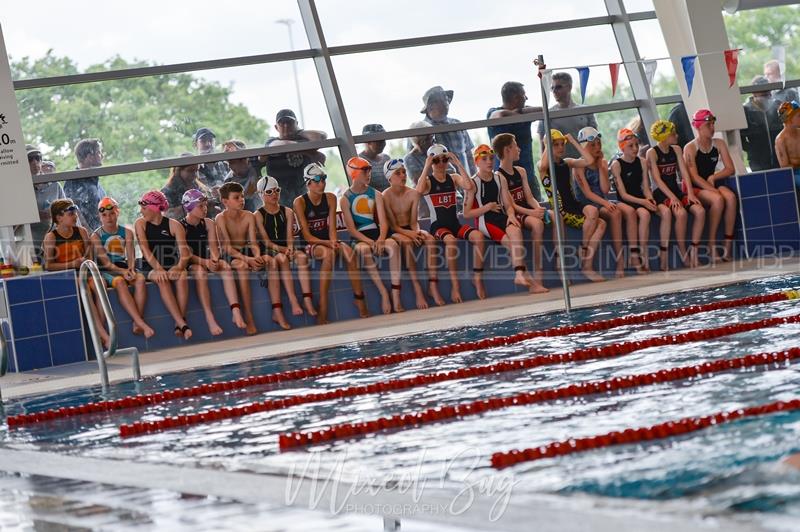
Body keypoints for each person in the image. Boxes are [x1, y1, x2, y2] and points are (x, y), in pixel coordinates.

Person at [294, 163, 369, 325]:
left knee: (349, 253)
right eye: (317, 180)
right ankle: (323, 305)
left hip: (327, 240)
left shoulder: (330, 198)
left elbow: (332, 228)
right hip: (310, 243)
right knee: (329, 255)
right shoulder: (300, 202)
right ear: (308, 183)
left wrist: (334, 241)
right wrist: (329, 243)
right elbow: (306, 236)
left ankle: (359, 298)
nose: (322, 183)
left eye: (323, 179)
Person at [463, 144, 545, 293]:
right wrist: (487, 207)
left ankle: (519, 274)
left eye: (491, 158)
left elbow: (508, 204)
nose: (489, 162)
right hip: (485, 221)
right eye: (484, 159)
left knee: (516, 231)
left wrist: (512, 215)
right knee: (511, 244)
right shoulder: (473, 183)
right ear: (476, 162)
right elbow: (467, 214)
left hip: (502, 216)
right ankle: (533, 285)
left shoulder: (499, 178)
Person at [416, 144, 485, 302]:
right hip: (438, 227)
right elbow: (418, 191)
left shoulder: (453, 178)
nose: (441, 163)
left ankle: (477, 278)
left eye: (444, 159)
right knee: (451, 241)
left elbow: (469, 186)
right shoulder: (428, 181)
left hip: (455, 224)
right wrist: (426, 165)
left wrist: (458, 163)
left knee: (479, 237)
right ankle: (456, 287)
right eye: (437, 160)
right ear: (432, 162)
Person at [573, 127, 645, 276]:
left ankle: (633, 255)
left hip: (603, 199)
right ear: (584, 148)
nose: (597, 147)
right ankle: (619, 262)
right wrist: (606, 204)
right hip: (588, 203)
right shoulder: (578, 165)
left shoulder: (603, 163)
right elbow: (587, 193)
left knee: (630, 212)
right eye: (592, 145)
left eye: (598, 143)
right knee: (616, 213)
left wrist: (601, 167)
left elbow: (605, 189)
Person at [540, 130, 606, 282]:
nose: (560, 147)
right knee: (599, 221)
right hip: (562, 209)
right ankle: (586, 266)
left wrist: (574, 141)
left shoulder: (567, 162)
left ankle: (584, 254)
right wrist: (547, 143)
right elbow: (544, 165)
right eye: (555, 145)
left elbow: (589, 161)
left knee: (597, 216)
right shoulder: (543, 167)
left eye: (562, 144)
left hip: (574, 205)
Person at [180, 189, 248, 336]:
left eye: (205, 205)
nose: (205, 209)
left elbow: (214, 247)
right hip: (192, 262)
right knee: (199, 271)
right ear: (189, 207)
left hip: (207, 259)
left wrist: (215, 259)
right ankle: (209, 317)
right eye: (200, 206)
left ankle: (235, 311)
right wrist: (206, 262)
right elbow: (187, 254)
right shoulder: (182, 227)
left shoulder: (209, 223)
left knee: (226, 267)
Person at [43, 199, 110, 347]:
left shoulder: (82, 232)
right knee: (83, 286)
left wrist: (85, 264)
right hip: (65, 275)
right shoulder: (51, 237)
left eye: (75, 213)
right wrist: (72, 264)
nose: (75, 216)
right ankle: (104, 335)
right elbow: (49, 265)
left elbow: (89, 256)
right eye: (71, 213)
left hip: (83, 271)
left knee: (101, 284)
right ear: (59, 218)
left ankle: (100, 332)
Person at [381, 158, 446, 308]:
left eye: (404, 172)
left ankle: (432, 285)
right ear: (389, 177)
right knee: (407, 243)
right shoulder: (385, 196)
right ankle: (417, 289)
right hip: (395, 232)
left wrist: (416, 232)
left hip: (410, 228)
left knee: (430, 239)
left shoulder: (413, 194)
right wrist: (411, 235)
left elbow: (413, 222)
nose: (403, 175)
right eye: (398, 173)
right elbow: (393, 226)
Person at [90, 197, 154, 339]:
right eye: (104, 215)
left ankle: (137, 322)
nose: (109, 218)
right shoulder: (96, 236)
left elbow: (131, 257)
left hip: (123, 267)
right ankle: (140, 323)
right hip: (106, 271)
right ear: (99, 217)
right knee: (119, 282)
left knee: (140, 279)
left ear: (117, 212)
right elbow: (106, 263)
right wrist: (123, 272)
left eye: (112, 213)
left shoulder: (127, 232)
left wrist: (130, 269)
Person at [341, 157, 398, 314]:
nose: (369, 174)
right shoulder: (345, 199)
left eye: (369, 170)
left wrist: (380, 239)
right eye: (365, 170)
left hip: (376, 233)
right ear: (354, 173)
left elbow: (384, 223)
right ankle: (383, 293)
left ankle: (396, 292)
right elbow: (352, 230)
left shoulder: (376, 194)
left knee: (393, 245)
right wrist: (371, 242)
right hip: (360, 237)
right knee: (364, 250)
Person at [493, 133, 551, 289]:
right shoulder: (499, 176)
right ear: (507, 150)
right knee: (537, 224)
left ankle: (547, 269)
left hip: (526, 210)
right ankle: (537, 278)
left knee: (552, 216)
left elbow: (530, 196)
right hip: (515, 213)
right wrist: (532, 213)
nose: (519, 149)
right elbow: (510, 204)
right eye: (515, 146)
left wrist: (537, 207)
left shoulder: (521, 171)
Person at [254, 175, 317, 318]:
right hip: (270, 250)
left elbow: (289, 237)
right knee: (282, 259)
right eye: (269, 192)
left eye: (277, 190)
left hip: (286, 247)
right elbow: (267, 242)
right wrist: (285, 250)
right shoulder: (258, 215)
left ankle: (307, 299)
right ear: (260, 194)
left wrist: (290, 247)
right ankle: (293, 300)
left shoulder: (287, 211)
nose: (274, 194)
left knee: (301, 257)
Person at [134, 190, 193, 341]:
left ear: (154, 208)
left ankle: (178, 322)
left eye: (144, 208)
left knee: (183, 276)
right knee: (162, 280)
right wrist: (158, 269)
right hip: (149, 266)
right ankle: (182, 323)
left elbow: (185, 253)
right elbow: (145, 250)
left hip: (171, 265)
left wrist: (179, 267)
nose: (141, 211)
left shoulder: (174, 225)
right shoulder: (140, 224)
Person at [646, 120, 705, 269]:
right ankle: (683, 251)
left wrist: (690, 193)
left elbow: (684, 173)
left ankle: (694, 250)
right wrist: (672, 197)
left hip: (676, 191)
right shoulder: (652, 153)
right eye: (673, 134)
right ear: (664, 137)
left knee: (700, 210)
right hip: (661, 193)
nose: (676, 136)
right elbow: (657, 180)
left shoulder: (677, 150)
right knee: (681, 214)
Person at [215, 182, 273, 333]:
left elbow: (253, 242)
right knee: (242, 267)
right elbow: (226, 247)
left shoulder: (248, 215)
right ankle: (249, 317)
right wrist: (248, 260)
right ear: (225, 201)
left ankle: (277, 309)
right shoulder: (220, 218)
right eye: (236, 197)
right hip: (230, 254)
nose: (241, 200)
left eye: (242, 196)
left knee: (269, 261)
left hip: (246, 252)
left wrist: (257, 257)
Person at [683, 109, 737, 262]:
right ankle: (711, 245)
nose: (712, 128)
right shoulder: (690, 148)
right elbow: (693, 177)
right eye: (708, 125)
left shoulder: (719, 143)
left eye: (713, 124)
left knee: (731, 198)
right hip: (694, 188)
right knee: (718, 199)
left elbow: (730, 169)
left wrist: (713, 177)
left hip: (710, 183)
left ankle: (727, 244)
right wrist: (713, 189)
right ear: (698, 127)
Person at [611, 129, 660, 271]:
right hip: (624, 200)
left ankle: (643, 254)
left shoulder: (642, 162)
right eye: (630, 146)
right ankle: (634, 256)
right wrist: (644, 202)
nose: (635, 148)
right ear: (622, 147)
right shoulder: (617, 165)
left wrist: (650, 199)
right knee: (639, 212)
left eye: (636, 145)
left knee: (645, 215)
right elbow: (623, 195)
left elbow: (645, 187)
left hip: (640, 198)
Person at [487, 81, 543, 199]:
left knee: (537, 207)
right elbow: (499, 115)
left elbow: (542, 110)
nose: (526, 98)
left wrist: (520, 112)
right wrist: (519, 113)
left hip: (527, 176)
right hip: (504, 177)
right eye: (523, 95)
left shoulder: (524, 111)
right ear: (516, 97)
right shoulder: (493, 112)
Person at [262, 109, 328, 208]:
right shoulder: (271, 141)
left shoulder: (303, 140)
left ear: (296, 124)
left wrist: (299, 132)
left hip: (304, 195)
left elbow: (321, 137)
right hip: (279, 198)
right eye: (282, 123)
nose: (286, 126)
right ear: (276, 127)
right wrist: (311, 152)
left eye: (289, 122)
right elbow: (278, 146)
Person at [536, 72, 598, 159]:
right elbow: (543, 145)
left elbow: (596, 141)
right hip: (560, 166)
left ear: (569, 87)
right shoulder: (547, 115)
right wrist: (546, 169)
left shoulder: (585, 111)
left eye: (558, 87)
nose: (554, 91)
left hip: (585, 163)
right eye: (552, 88)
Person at [419, 86, 476, 175]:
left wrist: (473, 181)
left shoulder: (457, 124)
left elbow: (469, 155)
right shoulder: (420, 130)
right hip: (440, 186)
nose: (446, 103)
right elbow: (416, 160)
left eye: (446, 99)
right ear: (430, 106)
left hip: (465, 184)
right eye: (441, 100)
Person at [28, 145, 65, 257]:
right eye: (30, 159)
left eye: (38, 158)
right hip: (30, 246)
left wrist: (54, 213)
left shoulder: (54, 185)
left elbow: (67, 211)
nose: (35, 162)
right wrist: (35, 215)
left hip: (56, 243)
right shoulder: (19, 188)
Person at [64, 138, 106, 231]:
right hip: (86, 238)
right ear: (90, 156)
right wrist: (89, 234)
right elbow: (74, 212)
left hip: (100, 234)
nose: (102, 156)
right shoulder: (73, 182)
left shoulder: (95, 181)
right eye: (99, 152)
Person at [741, 76, 782, 171]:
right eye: (763, 95)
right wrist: (751, 149)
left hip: (780, 157)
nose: (767, 96)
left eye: (768, 94)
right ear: (753, 93)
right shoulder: (746, 110)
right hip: (757, 160)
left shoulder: (778, 106)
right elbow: (740, 135)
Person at [161, 155, 214, 219]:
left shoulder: (199, 187)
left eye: (196, 171)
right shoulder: (168, 191)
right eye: (190, 171)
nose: (195, 174)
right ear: (178, 171)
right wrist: (190, 206)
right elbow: (167, 215)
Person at [222, 140, 263, 212]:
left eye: (232, 162)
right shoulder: (228, 180)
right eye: (228, 162)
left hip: (261, 210)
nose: (230, 166)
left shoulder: (254, 164)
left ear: (244, 159)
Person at [358, 124, 391, 191]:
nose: (383, 144)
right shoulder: (359, 161)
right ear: (368, 142)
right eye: (379, 141)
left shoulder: (386, 159)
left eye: (383, 140)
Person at [775, 101, 800, 188]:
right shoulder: (781, 140)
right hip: (793, 174)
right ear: (789, 119)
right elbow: (784, 166)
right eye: (799, 116)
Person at [404, 120, 435, 186]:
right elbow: (419, 182)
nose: (434, 140)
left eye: (433, 136)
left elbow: (452, 171)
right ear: (420, 142)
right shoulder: (410, 158)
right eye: (430, 138)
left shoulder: (436, 151)